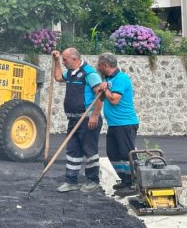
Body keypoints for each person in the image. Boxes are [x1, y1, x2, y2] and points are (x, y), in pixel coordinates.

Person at [51, 48, 104, 193]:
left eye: (65, 60)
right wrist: (56, 61)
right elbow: (57, 77)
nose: (63, 62)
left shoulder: (89, 74)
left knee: (89, 150)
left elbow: (100, 95)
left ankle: (93, 181)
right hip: (73, 119)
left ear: (74, 59)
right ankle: (71, 181)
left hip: (87, 119)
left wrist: (94, 115)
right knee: (73, 150)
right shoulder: (70, 73)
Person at [96, 52, 140, 197]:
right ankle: (124, 180)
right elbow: (104, 97)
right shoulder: (108, 78)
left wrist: (106, 89)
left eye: (99, 64)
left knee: (126, 153)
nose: (97, 67)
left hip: (125, 123)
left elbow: (114, 100)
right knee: (113, 152)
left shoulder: (121, 79)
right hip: (114, 124)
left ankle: (133, 182)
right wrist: (102, 89)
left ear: (105, 65)